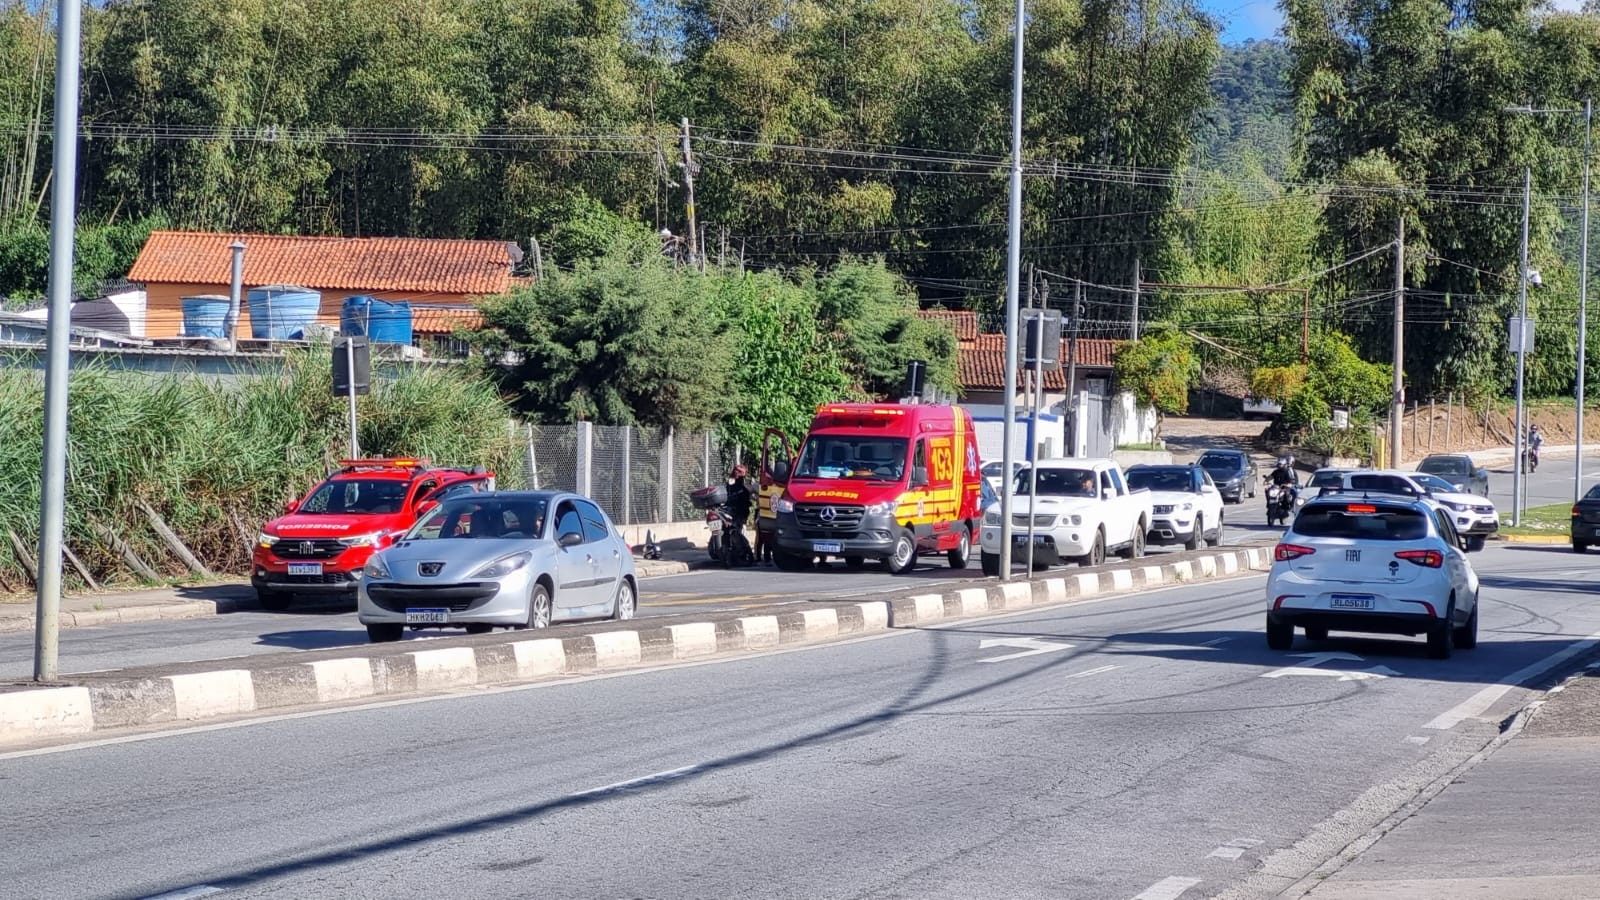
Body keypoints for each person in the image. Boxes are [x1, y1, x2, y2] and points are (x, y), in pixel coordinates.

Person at [726, 465, 755, 564]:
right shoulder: (730, 487)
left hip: (739, 513)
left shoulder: (742, 490)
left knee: (736, 532)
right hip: (730, 512)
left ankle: (744, 552)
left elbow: (745, 502)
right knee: (734, 531)